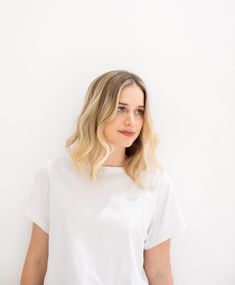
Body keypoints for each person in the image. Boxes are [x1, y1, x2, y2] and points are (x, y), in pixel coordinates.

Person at [20, 70, 187, 285]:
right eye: (121, 109)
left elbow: (159, 273)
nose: (131, 121)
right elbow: (36, 261)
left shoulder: (155, 183)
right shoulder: (54, 175)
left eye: (139, 111)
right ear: (98, 110)